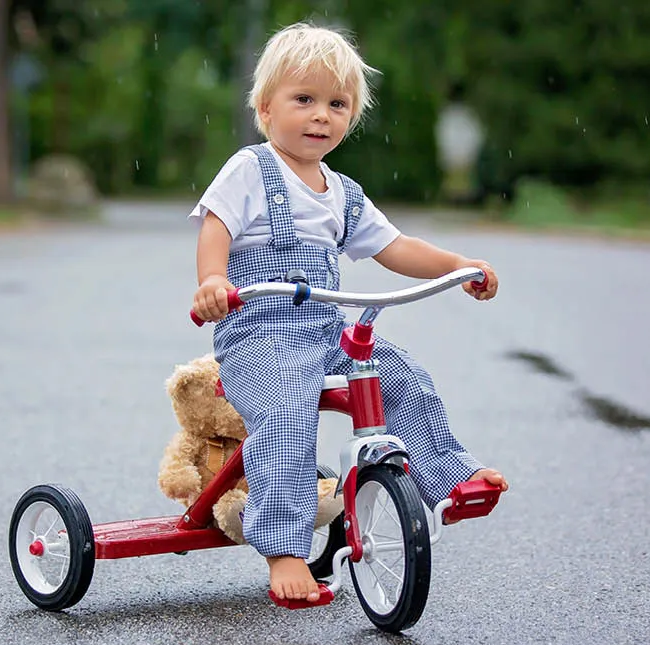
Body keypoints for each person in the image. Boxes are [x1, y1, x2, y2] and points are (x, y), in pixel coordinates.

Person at [188, 23, 509, 604]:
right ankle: (284, 549)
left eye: (337, 104)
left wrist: (457, 265)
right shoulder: (250, 170)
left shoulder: (343, 193)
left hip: (326, 329)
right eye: (303, 100)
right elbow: (217, 228)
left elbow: (396, 246)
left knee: (400, 377)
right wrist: (213, 280)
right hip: (260, 336)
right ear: (266, 108)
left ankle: (446, 480)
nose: (320, 116)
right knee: (286, 413)